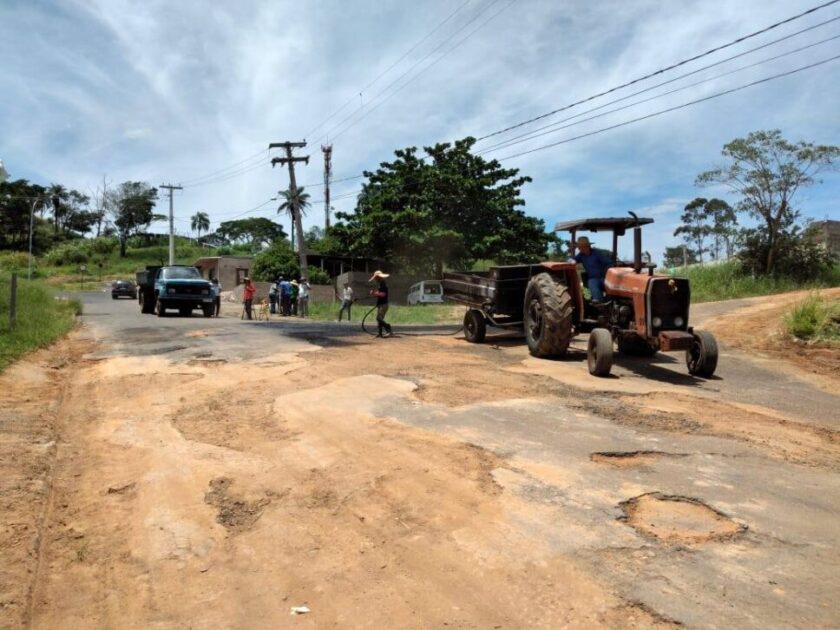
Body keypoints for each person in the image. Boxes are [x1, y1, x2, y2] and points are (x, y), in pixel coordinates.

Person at [571, 236, 613, 302]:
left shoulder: (597, 253)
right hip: (594, 279)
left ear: (586, 247)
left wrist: (607, 276)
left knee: (612, 286)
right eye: (578, 247)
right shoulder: (581, 255)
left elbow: (609, 264)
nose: (578, 249)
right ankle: (599, 303)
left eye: (580, 247)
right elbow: (572, 260)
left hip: (604, 278)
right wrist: (572, 261)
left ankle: (612, 302)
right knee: (592, 283)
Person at [369, 270, 392, 337]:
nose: (375, 279)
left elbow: (383, 294)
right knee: (379, 319)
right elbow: (380, 294)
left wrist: (374, 293)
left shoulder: (382, 284)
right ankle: (380, 333)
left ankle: (388, 328)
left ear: (378, 277)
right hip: (381, 304)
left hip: (383, 304)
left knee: (379, 318)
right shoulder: (380, 284)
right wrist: (374, 293)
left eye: (376, 278)